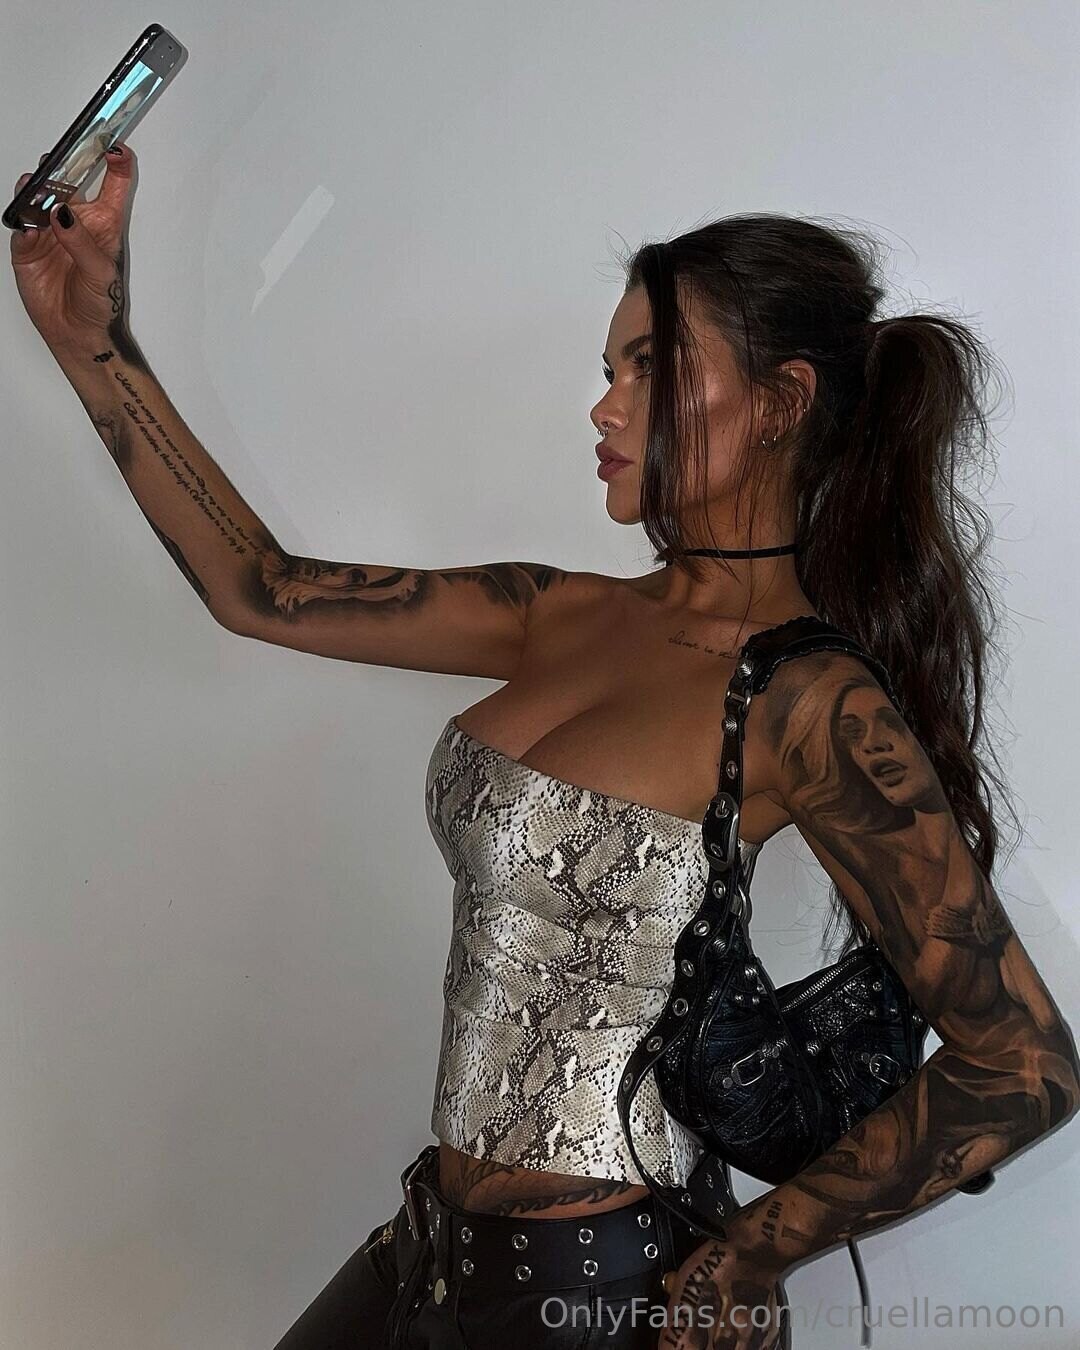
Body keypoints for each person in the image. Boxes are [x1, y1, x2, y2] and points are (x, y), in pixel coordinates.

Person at [9, 144, 1079, 1350]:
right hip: (429, 1247)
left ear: (780, 403)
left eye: (651, 368)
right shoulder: (558, 612)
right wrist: (91, 339)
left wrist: (757, 1249)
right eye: (610, 370)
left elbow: (1022, 1062)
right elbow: (264, 588)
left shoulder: (809, 703)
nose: (606, 407)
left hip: (611, 1292)